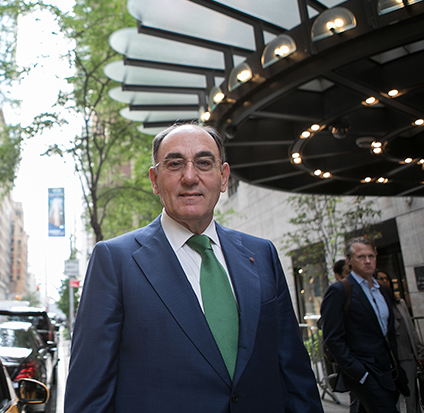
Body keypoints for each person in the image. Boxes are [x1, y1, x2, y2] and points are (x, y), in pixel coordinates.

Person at [64, 123, 323, 413]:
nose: (190, 177)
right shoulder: (114, 261)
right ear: (155, 179)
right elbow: (89, 396)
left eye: (203, 163)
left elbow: (294, 374)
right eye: (174, 164)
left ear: (223, 177)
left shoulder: (261, 255)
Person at [320, 237, 409, 413]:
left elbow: (387, 333)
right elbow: (332, 338)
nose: (368, 261)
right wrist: (359, 373)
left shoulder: (383, 290)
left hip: (388, 371)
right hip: (365, 372)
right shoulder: (340, 291)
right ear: (349, 261)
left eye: (371, 256)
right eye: (361, 257)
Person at [375, 269, 424, 413]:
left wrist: (420, 352)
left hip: (408, 356)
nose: (384, 281)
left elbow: (411, 329)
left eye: (386, 278)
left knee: (411, 398)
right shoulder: (377, 305)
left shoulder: (400, 303)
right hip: (389, 359)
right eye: (380, 278)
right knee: (392, 399)